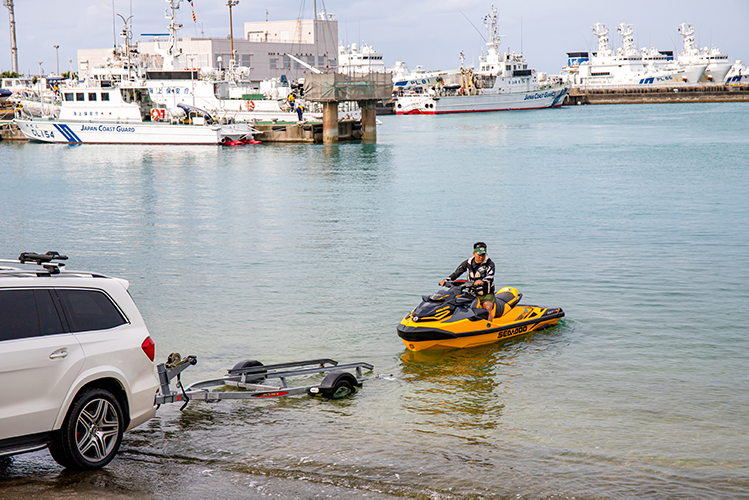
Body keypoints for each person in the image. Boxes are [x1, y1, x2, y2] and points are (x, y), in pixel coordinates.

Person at [440, 242, 496, 321]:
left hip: (485, 294)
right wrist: (446, 280)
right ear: (474, 253)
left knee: (487, 307)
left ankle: (489, 327)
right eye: (479, 254)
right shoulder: (467, 263)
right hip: (471, 293)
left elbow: (490, 276)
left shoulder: (490, 264)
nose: (481, 257)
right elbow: (456, 273)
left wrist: (482, 281)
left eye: (483, 255)